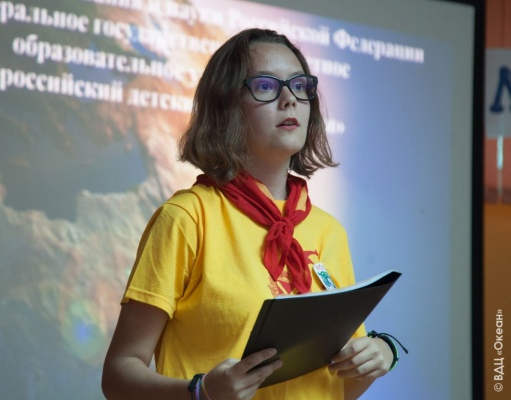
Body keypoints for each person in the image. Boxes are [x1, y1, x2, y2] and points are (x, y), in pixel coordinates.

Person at [101, 28, 397, 400]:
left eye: (300, 86)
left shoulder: (329, 231)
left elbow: (336, 388)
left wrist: (377, 358)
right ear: (226, 107)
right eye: (266, 86)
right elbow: (118, 376)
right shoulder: (186, 217)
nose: (289, 99)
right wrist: (201, 393)